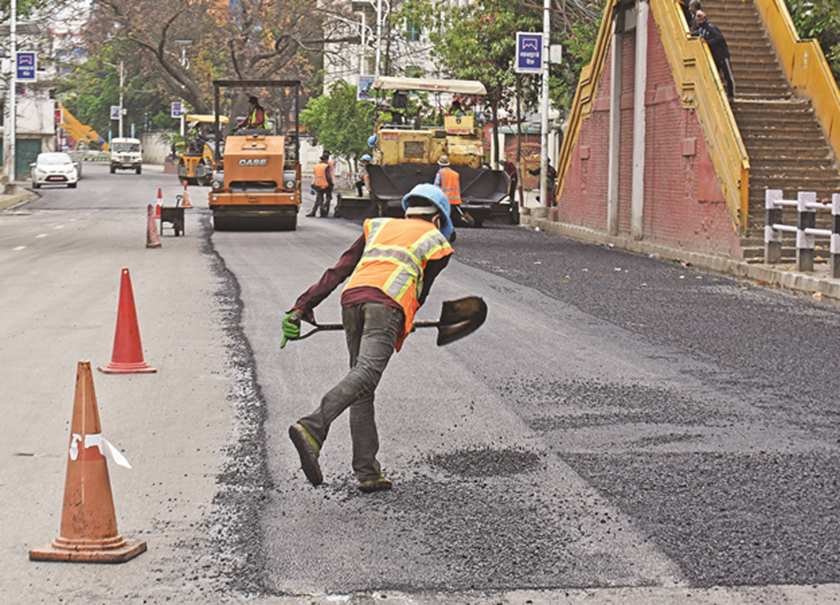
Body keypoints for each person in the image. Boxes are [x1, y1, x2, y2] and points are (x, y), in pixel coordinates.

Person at [282, 183, 454, 492]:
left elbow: (339, 270)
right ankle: (312, 426)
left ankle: (368, 472)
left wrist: (302, 305)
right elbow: (420, 292)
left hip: (351, 301)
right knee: (366, 374)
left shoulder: (378, 226)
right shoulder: (436, 241)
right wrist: (404, 317)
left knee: (361, 387)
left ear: (407, 210)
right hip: (386, 306)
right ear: (439, 219)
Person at [695, 10, 735, 102]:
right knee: (714, 75)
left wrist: (707, 42)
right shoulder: (702, 30)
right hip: (714, 57)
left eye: (701, 19)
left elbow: (719, 38)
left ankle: (731, 95)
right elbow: (698, 33)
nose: (700, 22)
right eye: (698, 20)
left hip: (722, 55)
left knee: (728, 76)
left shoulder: (712, 28)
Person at [434, 155, 473, 227]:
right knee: (456, 213)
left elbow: (436, 187)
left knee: (444, 214)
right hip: (455, 199)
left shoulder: (440, 173)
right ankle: (464, 219)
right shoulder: (455, 174)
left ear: (439, 164)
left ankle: (445, 225)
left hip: (445, 198)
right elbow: (458, 187)